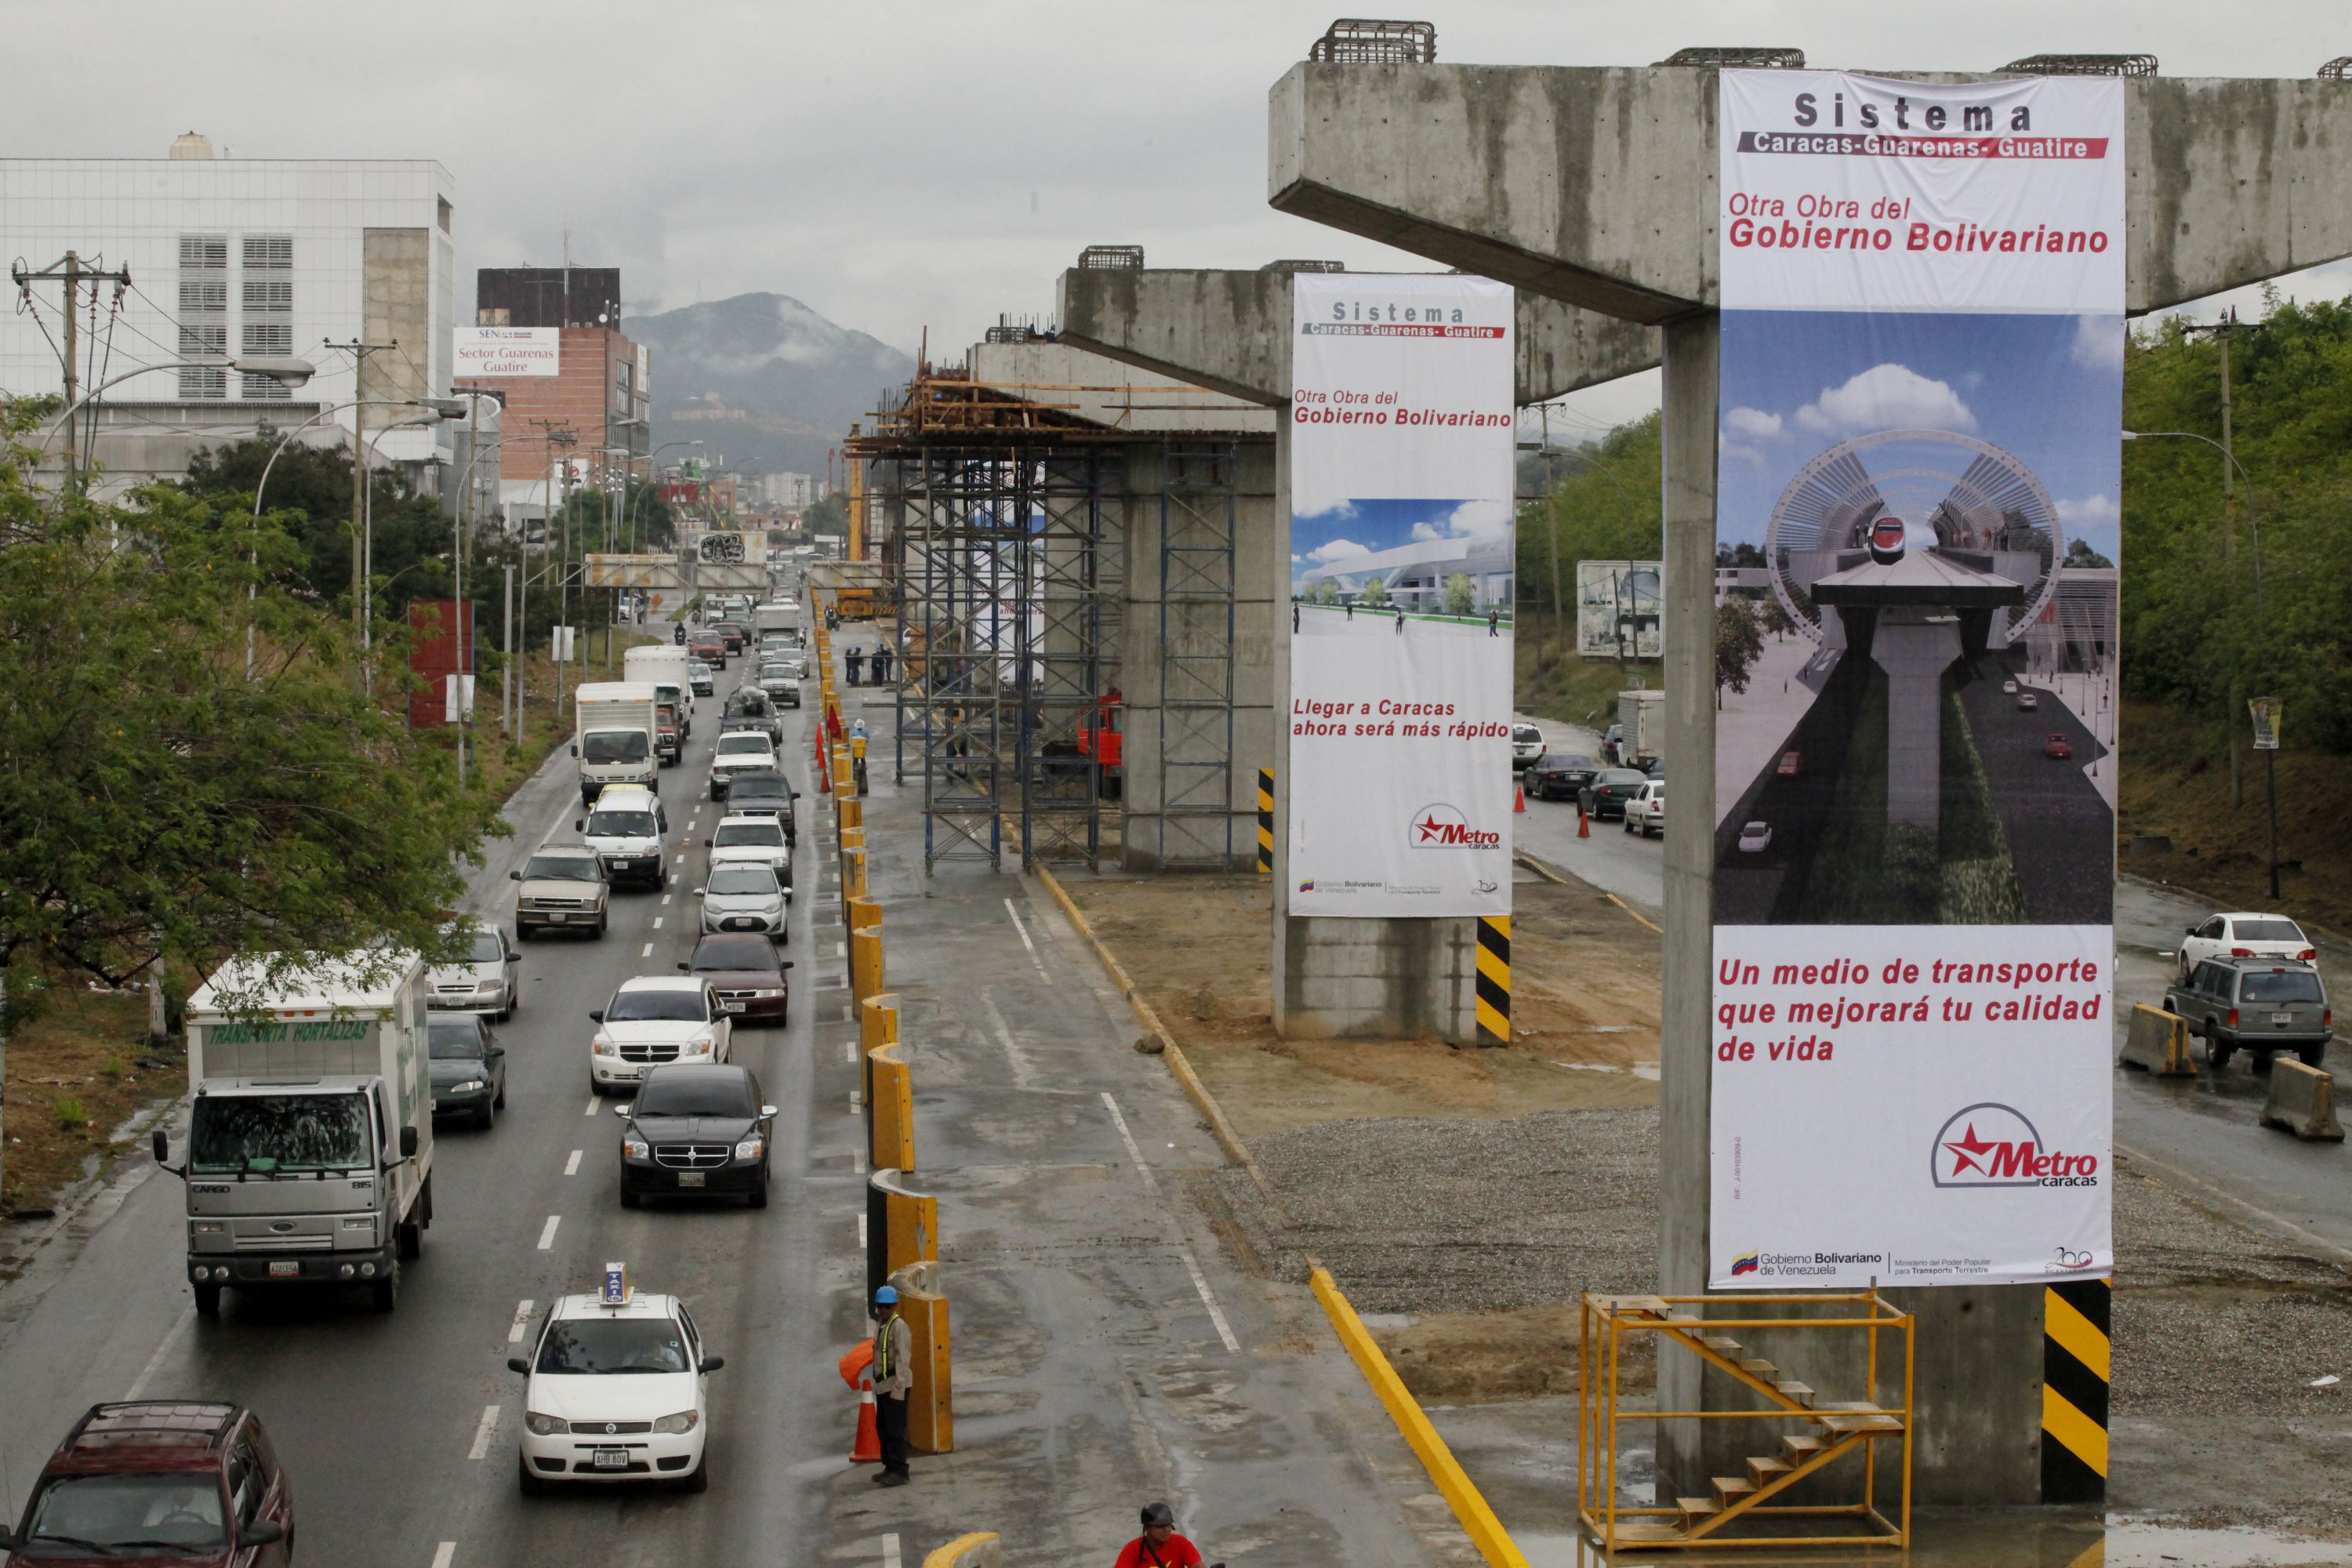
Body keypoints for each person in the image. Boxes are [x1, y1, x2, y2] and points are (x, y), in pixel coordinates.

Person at [871, 1285, 913, 1486]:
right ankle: (889, 1467)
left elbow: (903, 1360)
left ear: (894, 1306)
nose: (883, 1310)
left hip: (895, 1385)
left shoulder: (899, 1327)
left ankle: (899, 1470)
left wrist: (899, 1390)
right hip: (883, 1385)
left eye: (886, 1307)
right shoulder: (881, 1325)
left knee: (895, 1430)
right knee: (884, 1428)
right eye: (880, 1307)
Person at [1114, 1502, 1204, 1568]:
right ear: (1147, 1528)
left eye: (1168, 1525)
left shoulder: (1180, 1543)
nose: (1166, 1530)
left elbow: (1197, 1565)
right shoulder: (1132, 1549)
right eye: (1160, 1526)